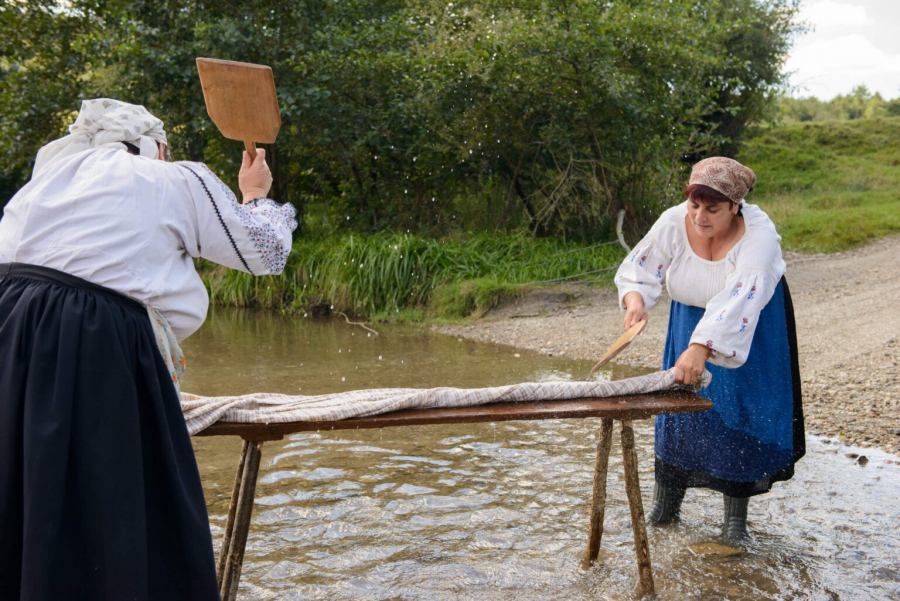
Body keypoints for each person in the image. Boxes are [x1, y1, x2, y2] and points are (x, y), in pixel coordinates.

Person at [0, 98, 297, 599]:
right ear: (156, 146)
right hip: (91, 340)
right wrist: (254, 194)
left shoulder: (41, 186)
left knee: (22, 491)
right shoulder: (172, 177)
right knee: (115, 504)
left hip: (9, 335)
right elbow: (265, 251)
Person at [614, 156, 804, 543]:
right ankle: (665, 508)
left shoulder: (759, 239)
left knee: (738, 413)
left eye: (712, 209)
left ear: (735, 207)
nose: (700, 216)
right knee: (679, 407)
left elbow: (740, 298)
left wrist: (701, 347)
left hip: (748, 323)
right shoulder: (673, 221)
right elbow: (641, 266)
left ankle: (735, 522)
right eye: (694, 205)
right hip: (688, 319)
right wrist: (635, 300)